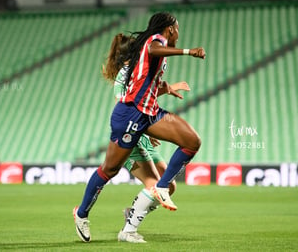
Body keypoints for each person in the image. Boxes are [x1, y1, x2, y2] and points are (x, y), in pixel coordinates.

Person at [73, 12, 206, 243]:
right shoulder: (156, 41)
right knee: (109, 170)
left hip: (149, 114)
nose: (179, 32)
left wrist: (165, 88)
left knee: (192, 142)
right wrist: (187, 51)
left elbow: (146, 81)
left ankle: (153, 198)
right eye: (178, 28)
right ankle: (82, 213)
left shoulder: (143, 58)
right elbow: (153, 50)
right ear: (171, 29)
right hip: (130, 117)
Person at [101, 33, 191, 243]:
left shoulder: (135, 73)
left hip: (140, 133)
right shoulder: (127, 74)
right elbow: (125, 109)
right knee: (155, 186)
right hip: (131, 136)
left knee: (168, 186)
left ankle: (133, 211)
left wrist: (168, 88)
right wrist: (141, 129)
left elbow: (144, 97)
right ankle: (128, 230)